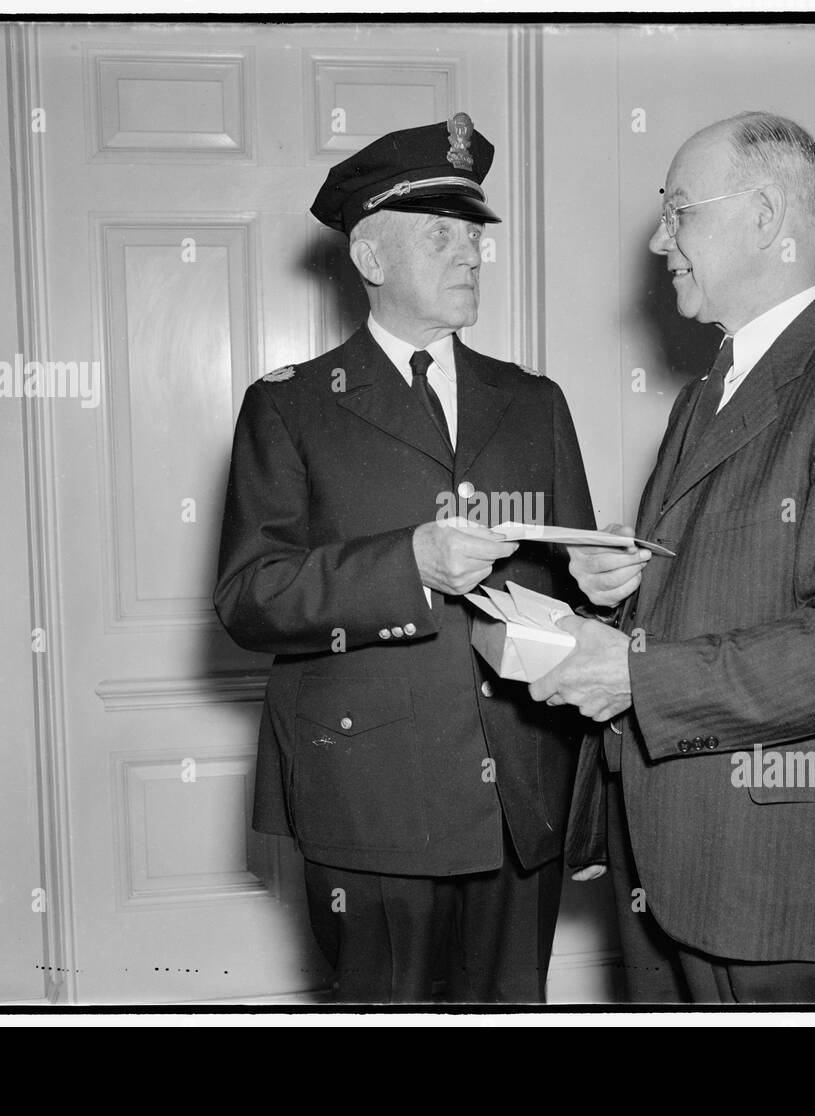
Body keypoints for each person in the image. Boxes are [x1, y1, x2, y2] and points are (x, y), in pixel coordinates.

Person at [530, 111, 815, 1003]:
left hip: (780, 881)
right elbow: (718, 593)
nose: (657, 239)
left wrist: (637, 676)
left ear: (763, 217)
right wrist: (621, 594)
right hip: (670, 854)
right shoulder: (704, 394)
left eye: (679, 211)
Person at [214, 116, 595, 1003]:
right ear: (372, 259)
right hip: (372, 806)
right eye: (442, 235)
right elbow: (247, 597)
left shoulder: (534, 402)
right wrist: (409, 564)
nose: (470, 255)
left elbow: (569, 579)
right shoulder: (291, 408)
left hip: (518, 804)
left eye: (474, 237)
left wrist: (603, 580)